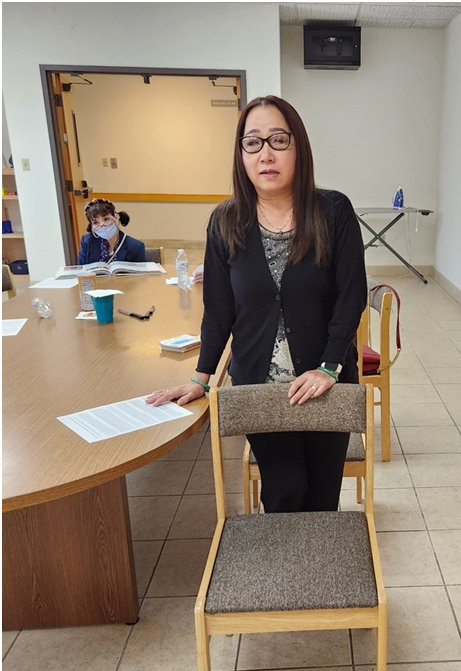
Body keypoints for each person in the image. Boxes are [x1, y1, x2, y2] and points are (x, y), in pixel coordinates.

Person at [145, 95, 367, 514]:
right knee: (284, 491)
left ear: (299, 147)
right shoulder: (225, 221)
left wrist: (328, 366)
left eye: (278, 140)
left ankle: (317, 558)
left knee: (323, 498)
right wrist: (201, 378)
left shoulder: (333, 210)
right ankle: (281, 557)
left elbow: (350, 296)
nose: (266, 154)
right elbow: (219, 310)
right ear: (241, 154)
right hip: (259, 388)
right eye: (253, 142)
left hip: (325, 381)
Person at [77, 198, 146, 265]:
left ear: (116, 218)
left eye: (106, 219)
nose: (102, 225)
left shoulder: (136, 246)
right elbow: (80, 268)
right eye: (96, 223)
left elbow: (142, 271)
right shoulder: (87, 242)